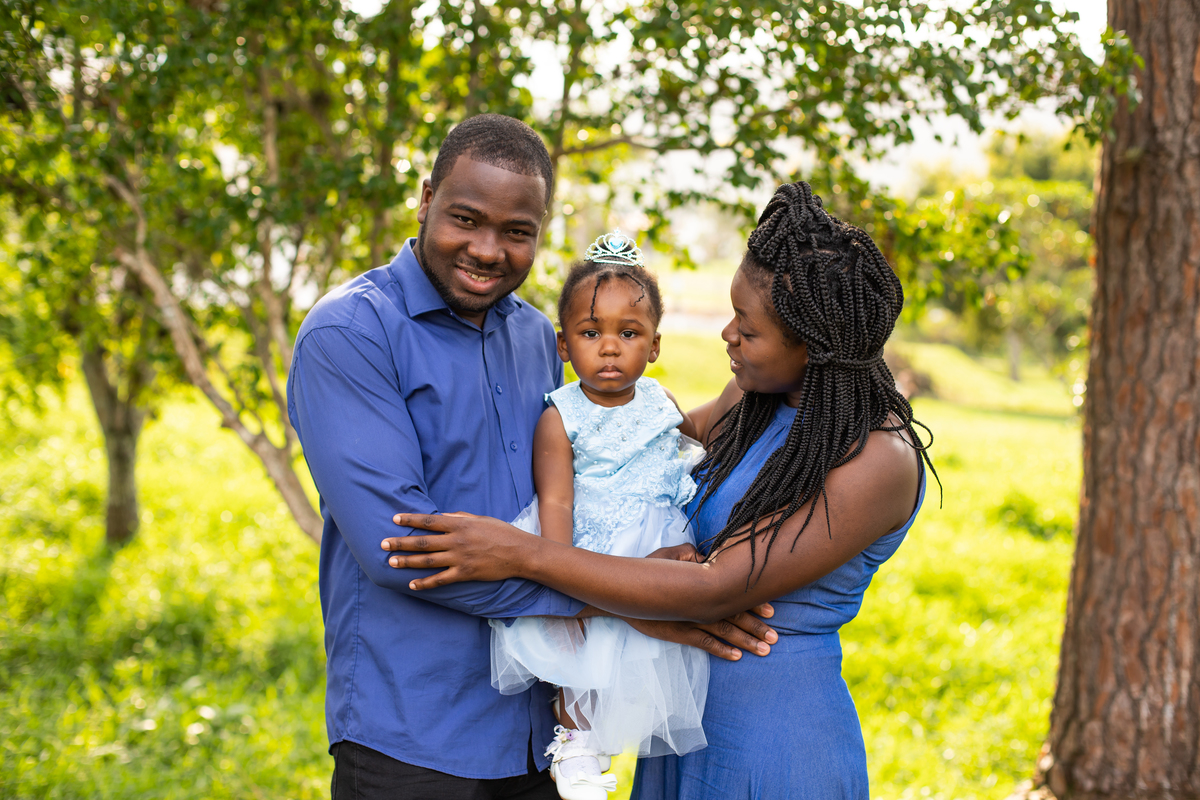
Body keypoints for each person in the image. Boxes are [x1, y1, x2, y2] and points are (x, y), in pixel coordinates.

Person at [382, 181, 937, 799]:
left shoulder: (877, 458)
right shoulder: (757, 398)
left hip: (772, 742)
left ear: (811, 344)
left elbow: (714, 588)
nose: (727, 334)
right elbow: (639, 440)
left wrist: (521, 553)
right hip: (681, 729)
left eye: (748, 329)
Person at [287, 113, 775, 800]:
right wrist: (625, 598)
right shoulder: (351, 332)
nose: (488, 250)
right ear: (425, 200)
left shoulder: (538, 336)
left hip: (539, 729)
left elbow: (593, 472)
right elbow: (402, 550)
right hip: (415, 733)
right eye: (465, 219)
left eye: (517, 231)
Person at [493, 232, 709, 800]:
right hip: (587, 542)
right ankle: (576, 743)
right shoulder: (561, 415)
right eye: (591, 334)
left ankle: (614, 738)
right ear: (564, 345)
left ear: (654, 346)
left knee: (638, 653)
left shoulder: (662, 403)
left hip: (654, 543)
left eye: (628, 334)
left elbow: (689, 453)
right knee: (582, 652)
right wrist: (562, 570)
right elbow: (556, 499)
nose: (609, 348)